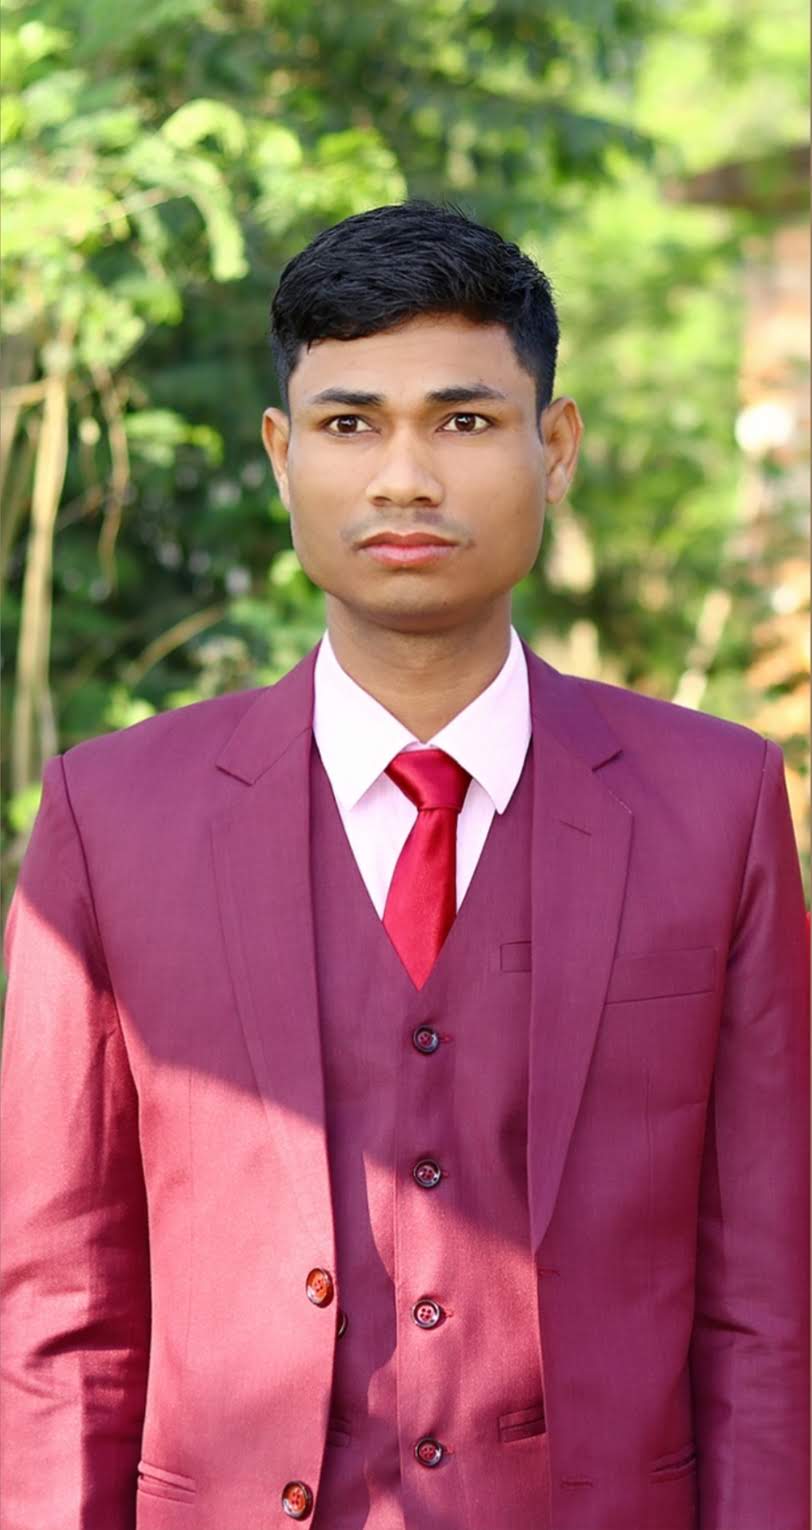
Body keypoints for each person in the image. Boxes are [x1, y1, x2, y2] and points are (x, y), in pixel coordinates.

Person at [1, 200, 808, 1530]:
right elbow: (60, 1311)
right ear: (282, 454)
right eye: (350, 424)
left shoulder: (717, 804)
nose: (404, 479)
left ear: (556, 447)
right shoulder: (109, 814)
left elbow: (767, 1308)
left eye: (465, 420)